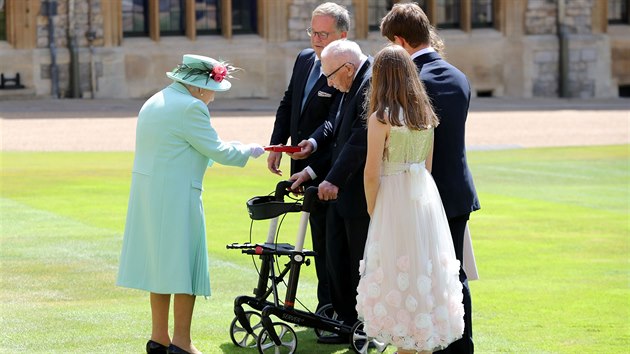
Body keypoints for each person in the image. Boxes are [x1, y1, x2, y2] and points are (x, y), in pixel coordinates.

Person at [116, 54, 265, 354]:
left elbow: (187, 145)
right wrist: (247, 150)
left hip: (151, 194)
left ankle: (159, 337)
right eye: (212, 90)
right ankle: (182, 342)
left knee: (161, 268)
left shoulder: (158, 99)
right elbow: (217, 150)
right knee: (185, 267)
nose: (212, 97)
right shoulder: (192, 107)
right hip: (177, 195)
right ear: (197, 87)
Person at [380, 4, 481, 353]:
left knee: (424, 276)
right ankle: (459, 343)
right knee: (454, 273)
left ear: (399, 41)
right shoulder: (458, 75)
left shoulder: (412, 85)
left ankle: (431, 342)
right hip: (458, 190)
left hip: (421, 194)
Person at [355, 44, 464, 354]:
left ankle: (406, 343)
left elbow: (371, 172)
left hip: (394, 197)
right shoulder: (424, 114)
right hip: (424, 198)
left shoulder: (382, 117)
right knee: (422, 272)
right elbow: (426, 166)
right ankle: (420, 341)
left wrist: (374, 208)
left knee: (397, 274)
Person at [289, 39, 373, 344]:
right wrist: (312, 169)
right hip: (338, 189)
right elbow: (334, 129)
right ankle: (343, 319)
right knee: (336, 257)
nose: (327, 83)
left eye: (331, 75)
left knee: (355, 262)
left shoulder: (369, 83)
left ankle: (358, 324)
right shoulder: (347, 81)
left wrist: (333, 179)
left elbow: (359, 139)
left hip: (356, 190)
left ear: (348, 68)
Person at [267, 2, 349, 310]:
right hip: (299, 162)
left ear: (343, 35)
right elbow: (289, 102)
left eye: (323, 34)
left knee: (332, 242)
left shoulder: (346, 65)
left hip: (330, 166)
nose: (316, 40)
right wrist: (278, 145)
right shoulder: (303, 59)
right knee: (315, 237)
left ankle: (331, 308)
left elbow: (335, 122)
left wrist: (313, 149)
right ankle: (325, 304)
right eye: (312, 32)